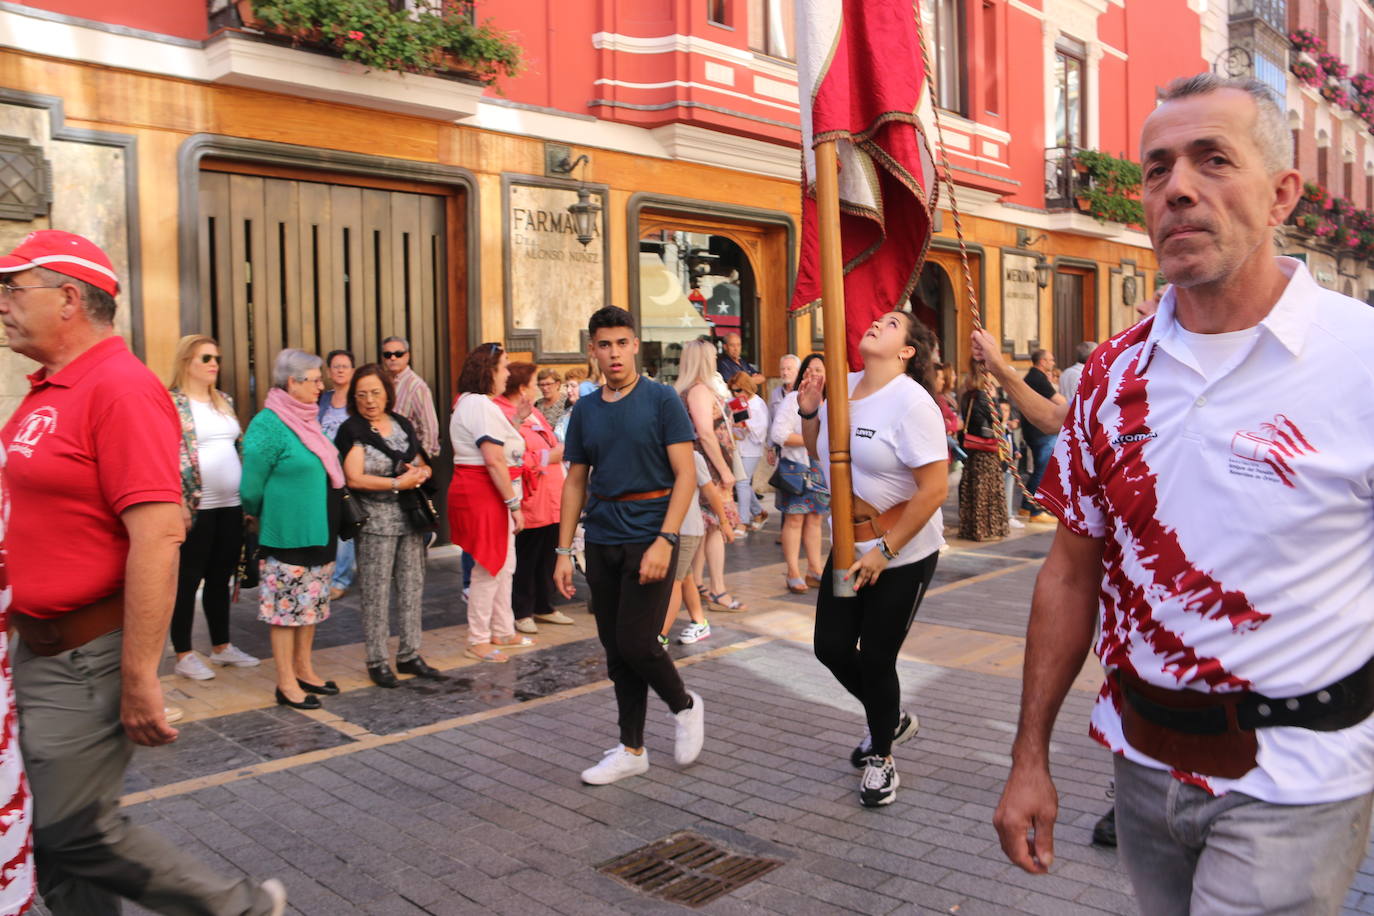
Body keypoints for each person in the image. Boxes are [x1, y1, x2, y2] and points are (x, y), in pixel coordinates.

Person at [993, 73, 1374, 913]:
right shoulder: (1108, 375)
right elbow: (1068, 569)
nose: (1179, 189)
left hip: (1299, 780)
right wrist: (1030, 756)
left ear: (1282, 195)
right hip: (1141, 765)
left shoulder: (1362, 360)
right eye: (1158, 168)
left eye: (1213, 160)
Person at [0, 230, 284, 913]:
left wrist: (140, 678)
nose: (2, 303)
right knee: (54, 846)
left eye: (12, 288)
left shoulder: (120, 389)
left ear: (69, 298)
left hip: (84, 654)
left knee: (69, 830)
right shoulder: (47, 391)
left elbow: (158, 537)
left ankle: (237, 905)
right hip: (36, 647)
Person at [800, 309, 948, 808]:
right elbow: (824, 457)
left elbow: (933, 489)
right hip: (848, 545)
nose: (875, 324)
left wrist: (886, 552)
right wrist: (809, 413)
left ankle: (881, 755)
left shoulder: (912, 404)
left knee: (879, 657)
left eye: (890, 324)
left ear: (907, 350)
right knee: (832, 647)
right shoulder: (844, 385)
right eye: (877, 319)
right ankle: (893, 718)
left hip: (902, 552)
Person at [555, 305, 705, 785]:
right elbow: (576, 481)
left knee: (640, 642)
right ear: (592, 350)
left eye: (622, 343)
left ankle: (684, 705)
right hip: (602, 536)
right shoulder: (586, 408)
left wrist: (665, 539)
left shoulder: (662, 399)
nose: (614, 353)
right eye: (605, 344)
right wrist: (562, 551)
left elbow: (686, 476)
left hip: (651, 532)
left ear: (635, 345)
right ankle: (632, 747)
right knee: (616, 650)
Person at [241, 349, 343, 711]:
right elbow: (251, 486)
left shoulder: (308, 419)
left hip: (319, 528)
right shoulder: (268, 424)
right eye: (315, 379)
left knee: (311, 604)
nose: (321, 385)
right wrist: (253, 515)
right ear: (292, 383)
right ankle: (285, 682)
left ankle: (304, 669)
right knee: (286, 610)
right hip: (285, 532)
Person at [336, 363, 444, 687]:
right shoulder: (352, 430)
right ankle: (377, 659)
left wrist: (421, 474)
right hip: (374, 523)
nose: (369, 400)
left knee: (412, 587)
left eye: (375, 392)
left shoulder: (400, 423)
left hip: (410, 520)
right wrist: (399, 483)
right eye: (362, 394)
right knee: (375, 593)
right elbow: (353, 477)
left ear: (387, 393)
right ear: (354, 398)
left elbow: (420, 460)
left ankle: (410, 654)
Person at [168, 334, 259, 679]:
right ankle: (183, 653)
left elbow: (238, 449)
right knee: (188, 580)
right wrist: (177, 499)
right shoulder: (172, 403)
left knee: (221, 578)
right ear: (186, 362)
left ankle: (221, 646)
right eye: (205, 358)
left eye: (216, 358)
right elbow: (164, 455)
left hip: (231, 504)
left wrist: (249, 499)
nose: (213, 365)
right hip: (196, 506)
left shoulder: (224, 400)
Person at [448, 343, 533, 663]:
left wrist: (518, 422)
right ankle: (479, 637)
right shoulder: (479, 406)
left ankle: (501, 628)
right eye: (504, 367)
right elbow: (494, 459)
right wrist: (514, 504)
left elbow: (500, 446)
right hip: (484, 492)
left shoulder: (477, 404)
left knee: (503, 563)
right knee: (490, 565)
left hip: (487, 491)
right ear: (489, 371)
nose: (508, 373)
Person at [495, 362, 572, 633]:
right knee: (527, 556)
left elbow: (551, 441)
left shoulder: (534, 412)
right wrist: (546, 457)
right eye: (532, 384)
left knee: (547, 554)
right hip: (530, 497)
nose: (537, 388)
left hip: (551, 496)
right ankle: (522, 610)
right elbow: (509, 455)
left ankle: (544, 605)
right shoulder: (503, 413)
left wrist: (554, 452)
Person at [675, 339, 747, 612]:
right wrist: (726, 471)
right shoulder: (699, 391)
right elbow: (705, 434)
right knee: (716, 528)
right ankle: (717, 589)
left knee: (704, 529)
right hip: (709, 469)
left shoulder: (688, 390)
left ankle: (700, 585)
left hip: (702, 466)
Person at [771, 354, 830, 593]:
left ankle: (815, 569)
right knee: (794, 519)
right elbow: (778, 434)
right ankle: (793, 571)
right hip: (796, 467)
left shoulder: (830, 401)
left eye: (818, 369)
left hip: (820, 469)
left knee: (816, 519)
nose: (813, 374)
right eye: (809, 369)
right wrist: (811, 442)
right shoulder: (793, 399)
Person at [659, 450, 728, 647]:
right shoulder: (652, 450)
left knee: (674, 581)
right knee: (685, 576)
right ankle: (699, 621)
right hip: (664, 528)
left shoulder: (691, 456)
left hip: (687, 529)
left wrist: (724, 522)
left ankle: (660, 635)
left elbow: (710, 491)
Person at [319, 349, 356, 600]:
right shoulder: (322, 399)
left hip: (348, 471)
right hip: (322, 471)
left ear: (353, 370)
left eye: (344, 366)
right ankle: (325, 573)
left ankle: (341, 579)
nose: (340, 370)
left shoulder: (357, 400)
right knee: (326, 524)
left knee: (345, 526)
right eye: (335, 366)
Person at [956, 370, 1009, 542]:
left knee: (973, 488)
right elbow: (997, 417)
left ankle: (971, 528)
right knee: (987, 489)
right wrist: (993, 398)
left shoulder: (966, 397)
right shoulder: (982, 397)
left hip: (972, 448)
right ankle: (986, 529)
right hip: (986, 448)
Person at [1016, 349, 1062, 524]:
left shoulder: (1032, 377)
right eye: (1051, 359)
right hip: (1041, 431)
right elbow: (1059, 401)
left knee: (1039, 469)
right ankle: (1035, 510)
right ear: (1042, 361)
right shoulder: (1038, 378)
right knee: (1042, 471)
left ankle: (1026, 507)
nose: (1053, 362)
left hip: (1033, 430)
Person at [381, 335, 440, 459]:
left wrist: (422, 461)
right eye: (388, 354)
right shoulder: (382, 382)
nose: (393, 358)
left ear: (407, 356)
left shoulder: (416, 386)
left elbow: (430, 427)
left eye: (398, 354)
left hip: (409, 456)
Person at [729, 373, 769, 529]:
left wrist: (745, 424)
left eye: (738, 390)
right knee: (743, 483)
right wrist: (738, 426)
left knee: (742, 483)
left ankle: (743, 521)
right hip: (739, 447)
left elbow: (761, 431)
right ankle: (758, 512)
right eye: (733, 391)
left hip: (752, 449)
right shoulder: (737, 402)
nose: (736, 394)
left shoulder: (758, 404)